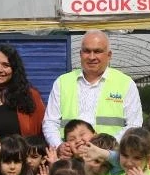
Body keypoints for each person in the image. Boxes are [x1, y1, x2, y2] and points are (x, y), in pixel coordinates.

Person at [43, 30, 143, 159]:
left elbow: (134, 125)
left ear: (109, 55)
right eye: (86, 51)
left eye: (97, 51)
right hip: (72, 162)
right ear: (80, 54)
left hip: (109, 160)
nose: (91, 57)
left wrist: (104, 148)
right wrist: (59, 146)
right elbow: (50, 122)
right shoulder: (62, 82)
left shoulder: (125, 83)